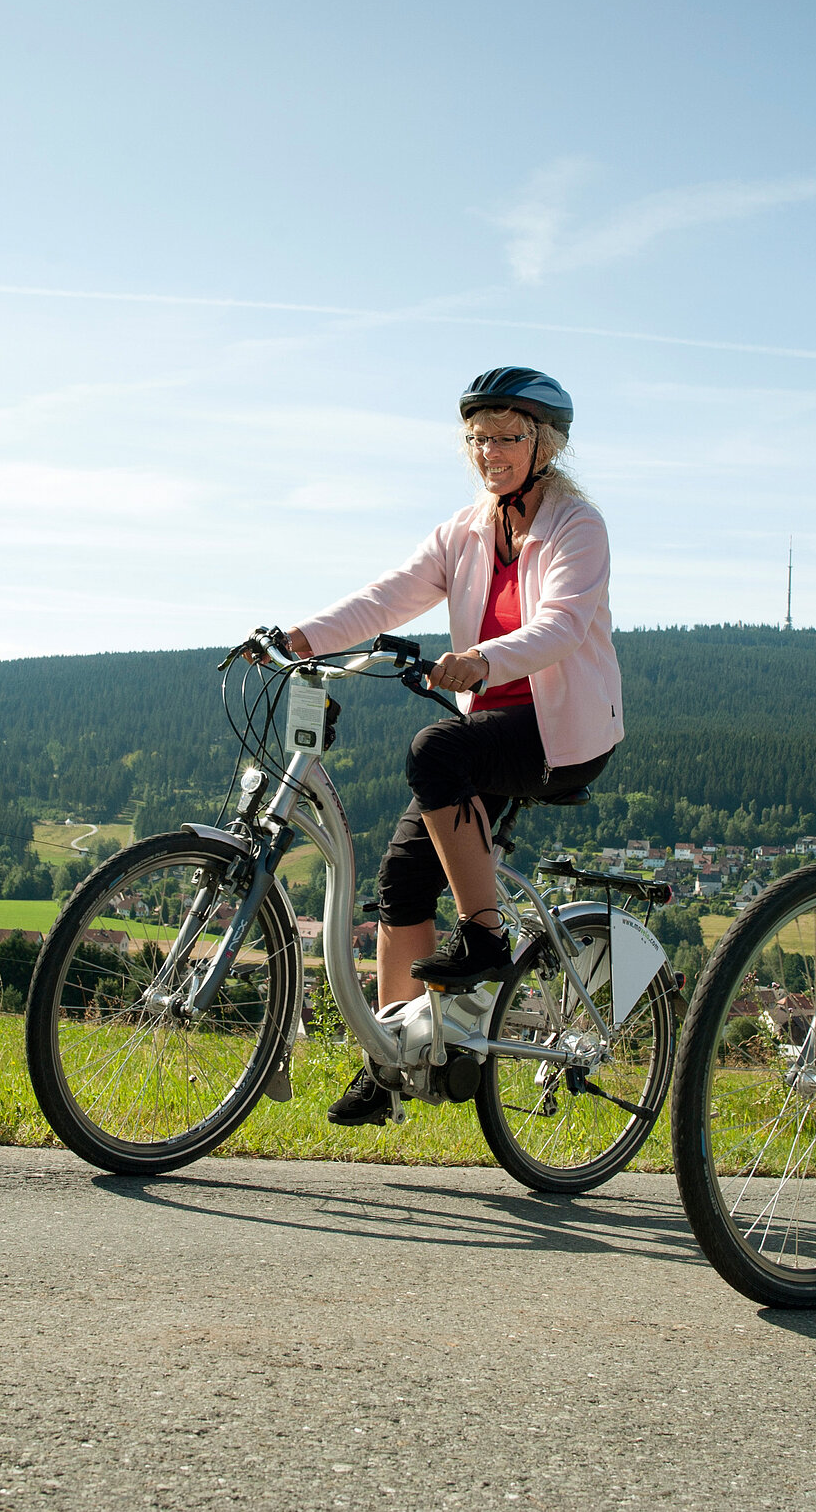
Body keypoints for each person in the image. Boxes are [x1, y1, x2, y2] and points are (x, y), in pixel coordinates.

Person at [274, 367, 624, 1126]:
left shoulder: (577, 526)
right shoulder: (464, 530)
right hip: (492, 724)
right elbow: (388, 593)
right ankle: (393, 1056)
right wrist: (303, 636)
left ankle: (485, 937)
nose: (488, 451)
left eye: (506, 436)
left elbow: (563, 625)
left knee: (436, 749)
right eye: (477, 438)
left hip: (560, 728)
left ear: (546, 443)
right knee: (400, 877)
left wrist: (483, 659)